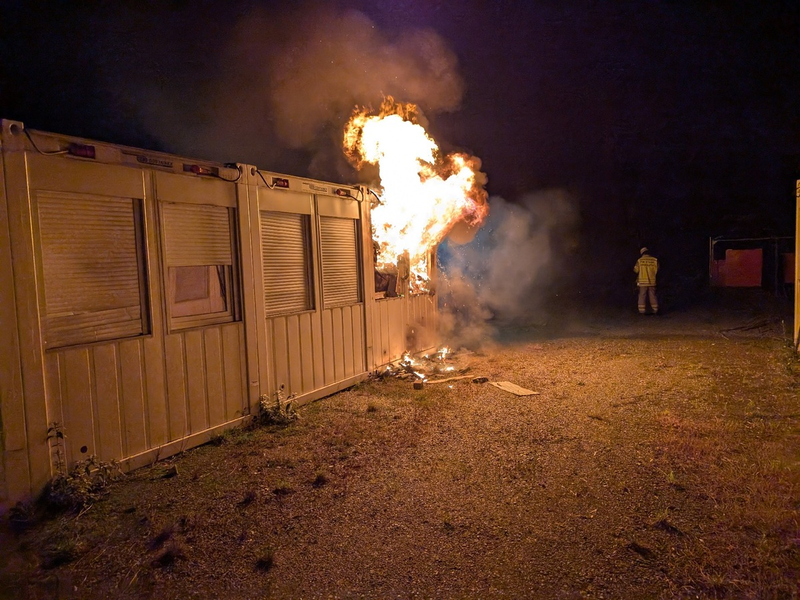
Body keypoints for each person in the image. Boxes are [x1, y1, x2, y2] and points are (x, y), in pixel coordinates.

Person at [634, 247, 658, 314]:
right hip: (652, 281)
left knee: (642, 295)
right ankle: (655, 309)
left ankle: (642, 311)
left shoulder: (639, 260)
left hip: (642, 281)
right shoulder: (655, 260)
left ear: (642, 253)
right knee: (653, 295)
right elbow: (657, 270)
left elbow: (636, 270)